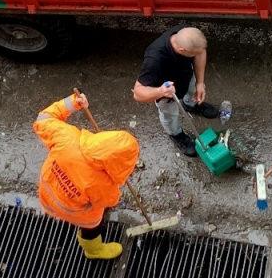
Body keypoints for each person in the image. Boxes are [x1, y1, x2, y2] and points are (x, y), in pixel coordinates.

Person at [33, 92, 139, 260]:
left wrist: (73, 102)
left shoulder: (67, 137)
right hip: (74, 210)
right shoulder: (103, 184)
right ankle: (93, 250)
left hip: (46, 193)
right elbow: (110, 201)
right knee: (93, 224)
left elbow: (43, 118)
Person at [131, 25, 219, 156]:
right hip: (167, 93)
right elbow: (138, 93)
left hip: (186, 76)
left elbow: (200, 52)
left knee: (193, 89)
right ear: (182, 50)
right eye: (193, 54)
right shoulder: (155, 59)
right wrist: (160, 91)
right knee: (170, 115)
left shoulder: (185, 35)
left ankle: (191, 105)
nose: (198, 54)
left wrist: (200, 83)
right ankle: (176, 134)